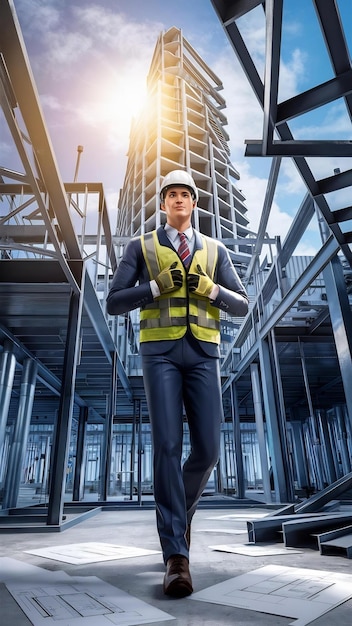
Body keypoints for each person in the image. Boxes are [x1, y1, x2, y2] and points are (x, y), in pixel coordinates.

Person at [106, 170, 249, 597]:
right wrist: (153, 287)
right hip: (161, 354)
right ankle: (176, 557)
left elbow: (241, 305)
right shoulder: (141, 246)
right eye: (172, 194)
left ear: (195, 202)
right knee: (167, 444)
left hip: (204, 353)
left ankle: (174, 520)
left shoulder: (216, 249)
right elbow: (115, 301)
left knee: (207, 449)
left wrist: (211, 290)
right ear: (163, 203)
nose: (179, 199)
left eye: (186, 193)